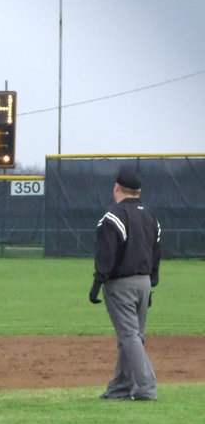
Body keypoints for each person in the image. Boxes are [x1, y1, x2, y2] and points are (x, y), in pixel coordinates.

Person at [90, 164, 161, 401]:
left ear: (116, 188)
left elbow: (106, 254)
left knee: (130, 336)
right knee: (132, 336)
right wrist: (152, 282)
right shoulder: (150, 216)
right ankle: (120, 388)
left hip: (121, 284)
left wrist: (97, 282)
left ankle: (146, 387)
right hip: (144, 283)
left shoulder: (113, 216)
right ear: (138, 191)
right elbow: (155, 252)